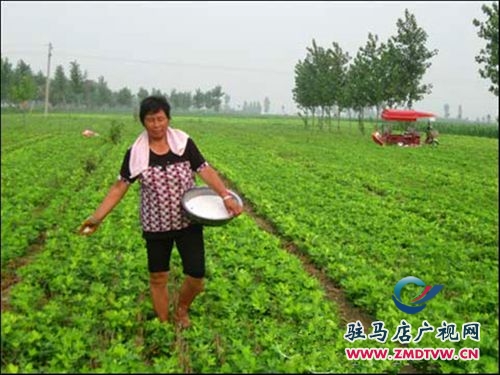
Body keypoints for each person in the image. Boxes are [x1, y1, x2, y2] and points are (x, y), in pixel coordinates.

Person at [78, 95, 243, 328]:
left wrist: (225, 195)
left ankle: (182, 308)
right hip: (156, 226)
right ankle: (164, 324)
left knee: (196, 276)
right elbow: (119, 187)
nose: (156, 125)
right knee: (158, 277)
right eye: (150, 120)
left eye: (160, 119)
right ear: (143, 122)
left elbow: (205, 170)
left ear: (168, 118)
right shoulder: (136, 153)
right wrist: (96, 218)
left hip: (188, 222)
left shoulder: (183, 143)